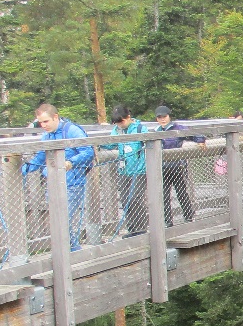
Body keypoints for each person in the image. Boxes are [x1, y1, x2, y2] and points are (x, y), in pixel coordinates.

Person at [21, 103, 94, 251]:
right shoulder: (46, 136)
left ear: (55, 117)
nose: (43, 125)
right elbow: (39, 159)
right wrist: (22, 170)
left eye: (46, 121)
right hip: (53, 183)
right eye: (40, 122)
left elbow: (88, 152)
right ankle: (72, 250)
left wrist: (71, 162)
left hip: (72, 183)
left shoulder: (72, 130)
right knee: (58, 221)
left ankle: (72, 251)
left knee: (63, 219)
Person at [155, 105, 205, 227]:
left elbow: (195, 134)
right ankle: (167, 222)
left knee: (181, 192)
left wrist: (200, 140)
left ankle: (188, 217)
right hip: (162, 168)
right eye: (160, 117)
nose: (162, 119)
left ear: (169, 116)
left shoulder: (178, 128)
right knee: (164, 195)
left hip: (177, 166)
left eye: (164, 116)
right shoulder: (156, 131)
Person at [101, 104, 147, 236]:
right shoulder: (117, 130)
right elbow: (111, 144)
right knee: (125, 199)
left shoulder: (139, 128)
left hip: (139, 170)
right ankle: (132, 228)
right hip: (124, 170)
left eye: (121, 121)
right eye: (117, 122)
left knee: (135, 198)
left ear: (128, 117)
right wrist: (97, 144)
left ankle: (140, 229)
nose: (119, 124)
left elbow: (150, 144)